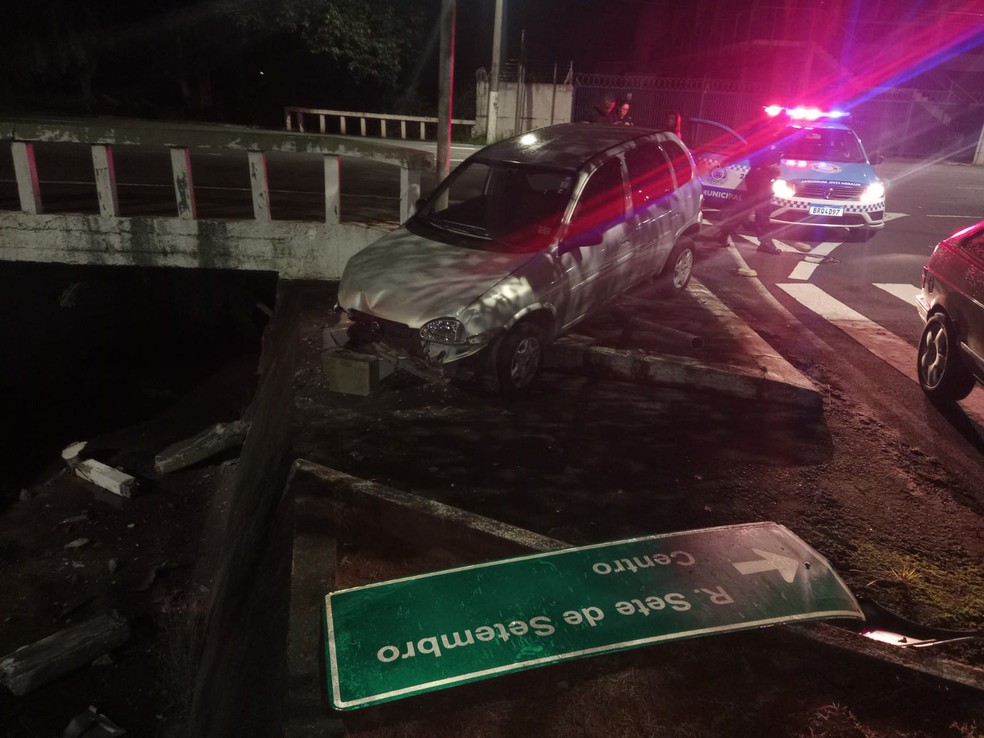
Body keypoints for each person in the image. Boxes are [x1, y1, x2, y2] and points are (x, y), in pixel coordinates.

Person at [716, 116, 785, 255]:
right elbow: (757, 157)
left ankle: (723, 233)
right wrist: (773, 168)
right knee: (764, 209)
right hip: (759, 177)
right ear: (777, 123)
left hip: (762, 177)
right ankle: (765, 242)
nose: (783, 127)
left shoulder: (774, 138)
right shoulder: (766, 137)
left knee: (746, 209)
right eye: (782, 124)